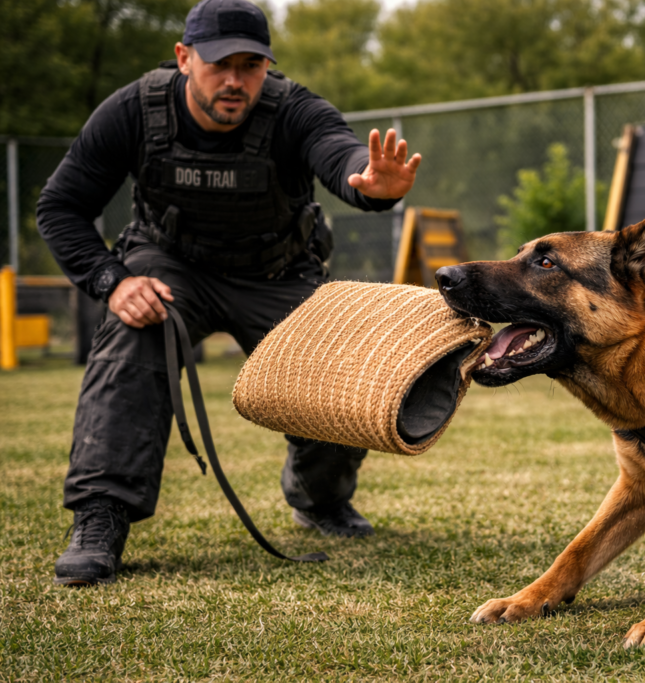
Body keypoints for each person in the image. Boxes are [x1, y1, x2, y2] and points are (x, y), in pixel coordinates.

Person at [37, 0, 421, 586]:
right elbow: (60, 207)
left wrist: (370, 186)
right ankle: (100, 517)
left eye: (251, 64)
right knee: (134, 331)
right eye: (220, 64)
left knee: (340, 369)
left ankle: (319, 499)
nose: (236, 80)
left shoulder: (293, 108)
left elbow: (339, 153)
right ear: (184, 58)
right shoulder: (133, 110)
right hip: (169, 264)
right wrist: (112, 281)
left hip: (275, 269)